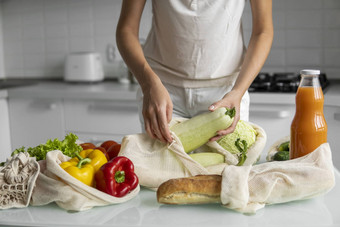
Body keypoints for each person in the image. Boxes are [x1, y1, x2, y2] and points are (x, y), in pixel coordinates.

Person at [116, 0, 273, 144]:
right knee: (163, 172)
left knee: (226, 172)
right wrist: (148, 84)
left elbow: (263, 31)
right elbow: (126, 29)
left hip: (227, 94)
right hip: (161, 91)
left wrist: (238, 91)